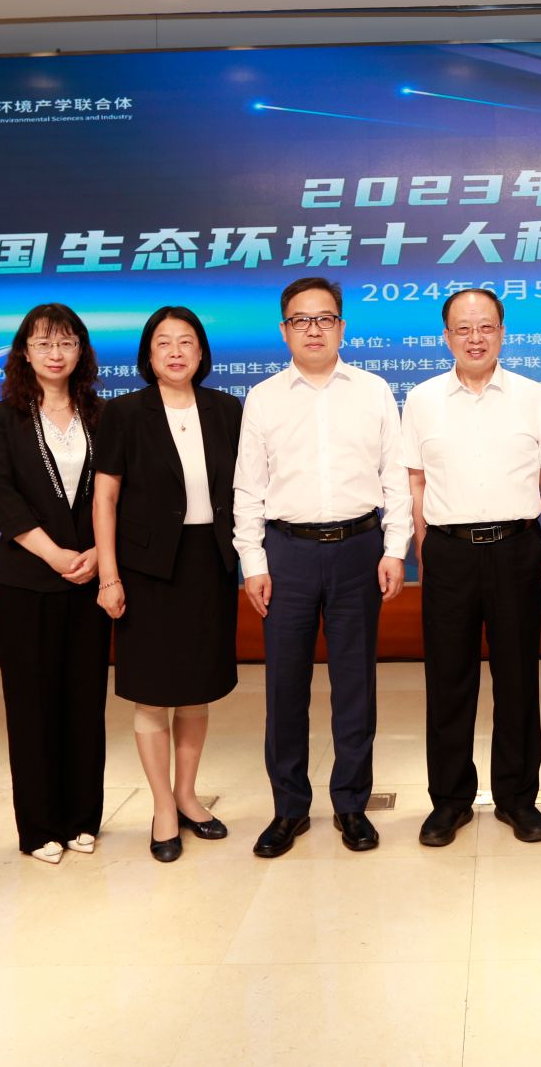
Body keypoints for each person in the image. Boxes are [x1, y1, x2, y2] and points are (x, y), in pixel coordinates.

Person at [233, 277, 410, 858]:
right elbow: (248, 489)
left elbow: (395, 477)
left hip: (359, 549)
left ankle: (351, 804)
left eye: (325, 318)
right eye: (301, 320)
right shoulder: (264, 398)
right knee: (285, 687)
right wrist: (253, 561)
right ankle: (289, 808)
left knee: (355, 684)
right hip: (287, 553)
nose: (314, 329)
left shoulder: (373, 391)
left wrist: (394, 548)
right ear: (284, 330)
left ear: (342, 326)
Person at [403, 289, 541, 847]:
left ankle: (518, 799)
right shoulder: (422, 399)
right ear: (446, 336)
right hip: (448, 552)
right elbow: (415, 482)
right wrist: (424, 550)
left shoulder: (532, 396)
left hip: (516, 549)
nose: (475, 338)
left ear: (503, 332)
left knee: (518, 679)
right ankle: (449, 801)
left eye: (485, 327)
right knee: (447, 681)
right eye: (463, 328)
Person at [94, 307, 242, 863]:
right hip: (147, 569)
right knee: (153, 692)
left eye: (186, 342)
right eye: (164, 343)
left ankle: (187, 795)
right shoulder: (124, 413)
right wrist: (108, 575)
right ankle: (161, 806)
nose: (176, 352)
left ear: (201, 352)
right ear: (148, 354)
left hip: (209, 563)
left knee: (197, 688)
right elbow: (105, 498)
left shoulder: (227, 410)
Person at [0, 304, 109, 865]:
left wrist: (100, 552)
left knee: (85, 702)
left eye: (66, 342)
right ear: (24, 353)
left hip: (91, 579)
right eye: (44, 343)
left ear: (81, 350)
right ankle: (38, 827)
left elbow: (121, 491)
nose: (56, 353)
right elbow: (0, 493)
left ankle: (82, 818)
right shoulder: (3, 417)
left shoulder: (103, 415)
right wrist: (55, 554)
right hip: (28, 580)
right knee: (32, 706)